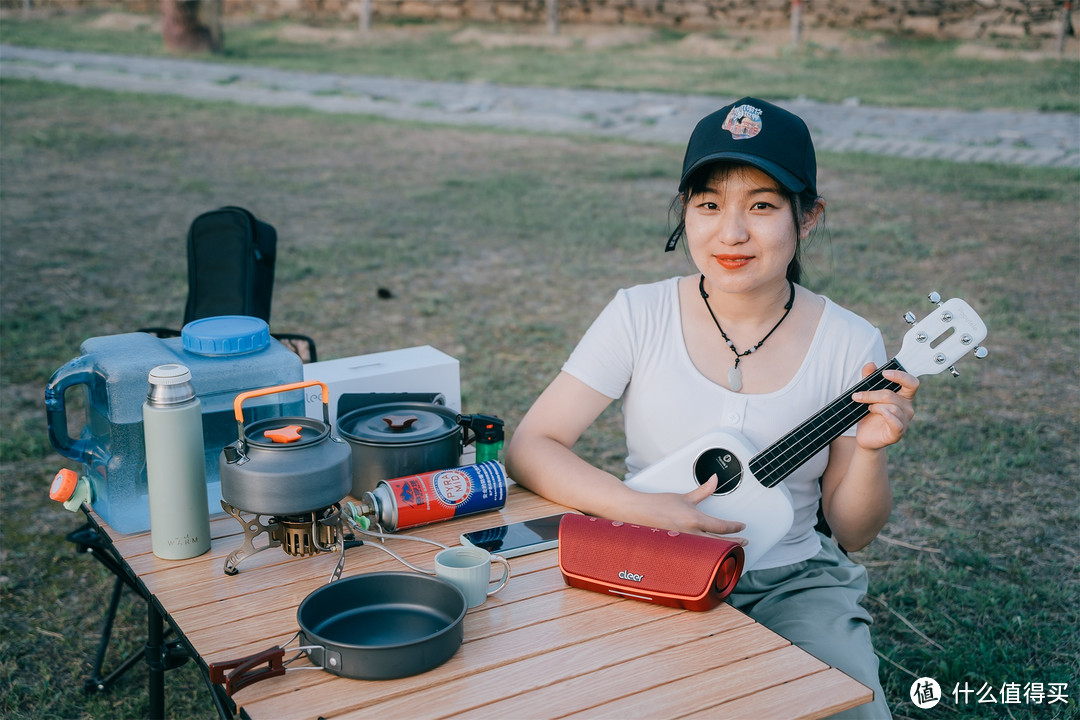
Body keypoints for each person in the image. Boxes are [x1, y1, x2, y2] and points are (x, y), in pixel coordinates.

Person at [505, 97, 918, 718]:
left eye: (761, 205)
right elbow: (532, 445)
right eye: (708, 205)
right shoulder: (639, 314)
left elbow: (854, 531)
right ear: (685, 214)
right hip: (654, 561)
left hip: (792, 580)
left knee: (841, 706)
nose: (731, 232)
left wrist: (869, 454)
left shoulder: (849, 342)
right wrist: (641, 509)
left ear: (806, 218)